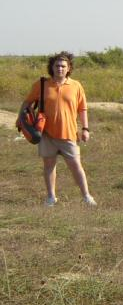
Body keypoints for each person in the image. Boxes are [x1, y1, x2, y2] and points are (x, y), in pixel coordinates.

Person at [20, 51, 96, 207]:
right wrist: (21, 120)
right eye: (57, 66)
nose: (60, 69)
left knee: (76, 165)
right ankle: (51, 197)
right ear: (52, 67)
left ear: (68, 68)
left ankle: (87, 196)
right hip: (46, 134)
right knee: (48, 165)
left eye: (63, 66)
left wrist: (85, 129)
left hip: (69, 133)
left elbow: (83, 109)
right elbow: (27, 102)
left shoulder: (76, 86)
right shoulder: (42, 84)